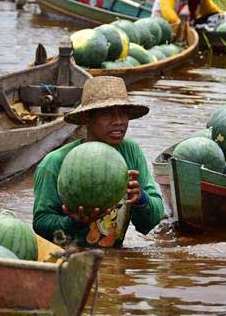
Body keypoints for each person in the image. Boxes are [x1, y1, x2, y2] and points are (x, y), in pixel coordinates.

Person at [33, 76, 164, 248]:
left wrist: (140, 200)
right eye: (107, 113)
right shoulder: (55, 163)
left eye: (123, 113)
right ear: (87, 118)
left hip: (114, 262)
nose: (118, 122)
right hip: (70, 260)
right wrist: (74, 223)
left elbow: (150, 222)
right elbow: (41, 225)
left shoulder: (131, 152)